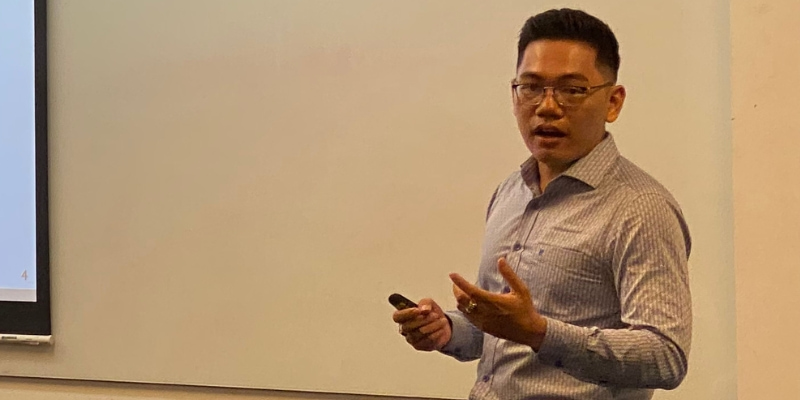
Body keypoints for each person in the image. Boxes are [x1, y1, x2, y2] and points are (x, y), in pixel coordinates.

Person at [392, 8, 692, 400]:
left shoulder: (641, 208)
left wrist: (539, 332)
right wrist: (447, 330)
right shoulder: (510, 191)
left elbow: (665, 357)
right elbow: (497, 331)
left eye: (572, 89)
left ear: (613, 102)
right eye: (531, 87)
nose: (547, 107)